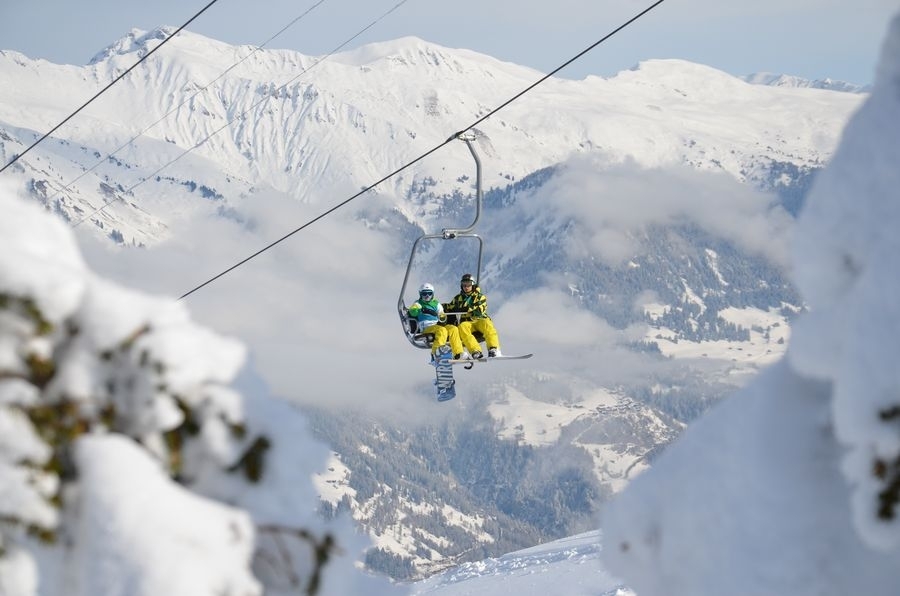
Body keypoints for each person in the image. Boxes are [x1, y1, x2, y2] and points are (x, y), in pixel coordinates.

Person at [444, 273, 501, 359]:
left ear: (473, 285)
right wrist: (437, 307)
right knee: (462, 327)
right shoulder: (458, 298)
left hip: (479, 319)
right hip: (467, 322)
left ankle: (493, 348)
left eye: (468, 284)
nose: (466, 287)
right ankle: (475, 351)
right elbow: (450, 306)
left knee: (487, 324)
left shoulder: (480, 297)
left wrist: (466, 309)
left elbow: (479, 310)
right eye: (464, 284)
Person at [407, 283, 464, 360]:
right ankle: (436, 353)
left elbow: (442, 315)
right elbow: (412, 312)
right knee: (442, 330)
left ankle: (458, 353)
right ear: (420, 294)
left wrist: (441, 318)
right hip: (426, 326)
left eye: (429, 293)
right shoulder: (418, 303)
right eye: (424, 294)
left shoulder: (436, 304)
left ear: (432, 294)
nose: (427, 296)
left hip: (437, 325)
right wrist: (420, 310)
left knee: (453, 328)